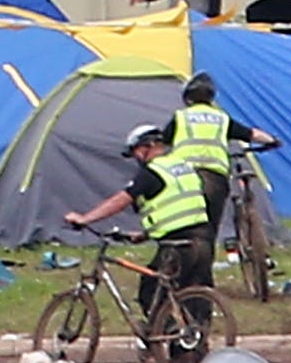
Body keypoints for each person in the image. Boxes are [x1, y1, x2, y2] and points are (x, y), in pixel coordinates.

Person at [63, 124, 214, 337]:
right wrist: (145, 235)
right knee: (194, 299)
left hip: (177, 245)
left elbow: (120, 200)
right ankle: (193, 354)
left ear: (149, 146)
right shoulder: (182, 166)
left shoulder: (152, 172)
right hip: (203, 240)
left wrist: (85, 218)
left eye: (136, 151)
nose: (135, 157)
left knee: (150, 289)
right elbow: (180, 208)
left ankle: (169, 337)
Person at [162, 71, 275, 250]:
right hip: (214, 176)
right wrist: (272, 141)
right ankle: (204, 266)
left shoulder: (181, 118)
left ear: (188, 98)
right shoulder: (221, 119)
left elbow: (164, 141)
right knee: (210, 225)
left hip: (185, 176)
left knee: (183, 222)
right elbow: (251, 134)